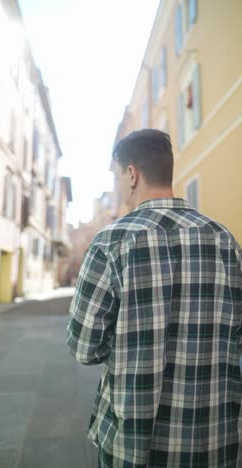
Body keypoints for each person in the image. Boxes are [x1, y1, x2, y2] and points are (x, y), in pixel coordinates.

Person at [66, 129, 242, 467]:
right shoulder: (225, 241)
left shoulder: (110, 242)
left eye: (118, 175)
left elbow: (84, 346)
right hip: (215, 440)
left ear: (131, 174)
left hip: (134, 442)